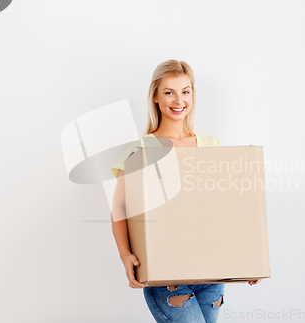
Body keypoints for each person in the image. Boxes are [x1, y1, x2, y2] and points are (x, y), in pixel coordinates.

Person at [110, 59, 261, 323]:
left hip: (211, 274)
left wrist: (248, 259)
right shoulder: (140, 150)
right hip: (166, 276)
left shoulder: (211, 146)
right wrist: (125, 255)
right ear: (155, 96)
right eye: (169, 92)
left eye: (185, 91)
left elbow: (229, 208)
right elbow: (120, 208)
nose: (178, 100)